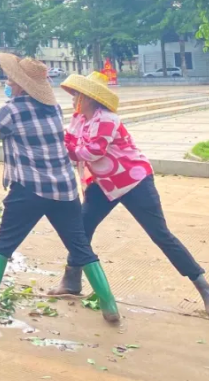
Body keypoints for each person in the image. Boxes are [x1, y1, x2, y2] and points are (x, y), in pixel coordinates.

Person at [0, 54, 120, 323]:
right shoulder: (54, 108)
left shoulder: (12, 109)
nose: (8, 82)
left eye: (11, 79)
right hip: (64, 190)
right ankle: (109, 304)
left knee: (5, 241)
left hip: (30, 188)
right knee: (80, 247)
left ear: (21, 83)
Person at [48, 71, 209, 313]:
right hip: (103, 185)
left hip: (134, 182)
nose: (72, 98)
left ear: (89, 98)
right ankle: (71, 280)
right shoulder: (80, 118)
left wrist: (63, 147)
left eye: (76, 94)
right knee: (80, 230)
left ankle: (203, 286)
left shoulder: (107, 119)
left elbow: (92, 152)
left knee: (160, 234)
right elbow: (69, 140)